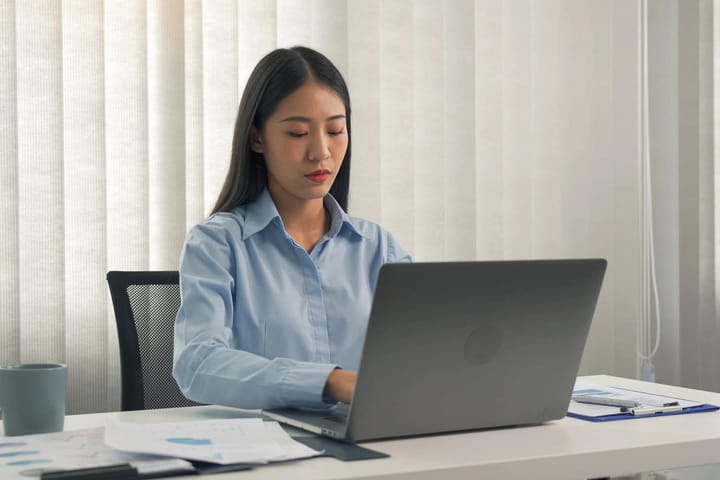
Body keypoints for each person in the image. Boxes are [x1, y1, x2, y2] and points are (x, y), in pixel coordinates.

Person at [173, 46, 411, 410]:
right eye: (298, 133)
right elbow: (198, 364)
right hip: (263, 451)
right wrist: (330, 382)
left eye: (335, 130)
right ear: (257, 139)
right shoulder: (216, 244)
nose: (321, 151)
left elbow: (421, 356)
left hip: (371, 444)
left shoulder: (379, 247)